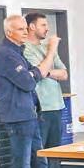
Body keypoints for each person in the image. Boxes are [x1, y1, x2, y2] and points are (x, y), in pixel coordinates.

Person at [0, 15, 58, 168]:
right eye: (21, 29)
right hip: (18, 118)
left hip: (30, 115)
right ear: (9, 32)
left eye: (25, 28)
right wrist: (34, 73)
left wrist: (33, 73)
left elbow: (36, 73)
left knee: (40, 163)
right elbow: (28, 82)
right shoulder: (6, 54)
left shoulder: (18, 52)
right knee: (22, 166)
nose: (25, 32)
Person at [23, 12, 69, 149]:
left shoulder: (47, 48)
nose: (47, 29)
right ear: (32, 27)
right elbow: (39, 72)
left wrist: (47, 72)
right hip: (41, 108)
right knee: (40, 152)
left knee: (55, 152)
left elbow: (64, 74)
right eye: (43, 25)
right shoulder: (25, 49)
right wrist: (52, 50)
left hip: (57, 106)